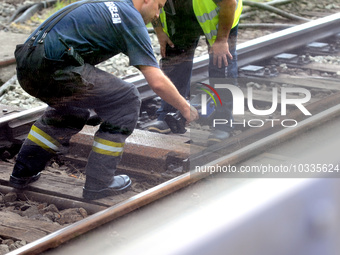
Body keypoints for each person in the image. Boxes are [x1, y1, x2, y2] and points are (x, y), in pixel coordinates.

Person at [9, 0, 198, 200]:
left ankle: (23, 171)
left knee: (71, 109)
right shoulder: (130, 17)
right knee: (126, 99)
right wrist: (185, 108)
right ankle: (100, 182)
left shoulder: (109, 4)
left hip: (27, 65)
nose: (159, 14)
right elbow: (157, 81)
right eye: (159, 6)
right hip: (56, 67)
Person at [147, 0, 242, 145]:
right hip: (180, 18)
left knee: (222, 66)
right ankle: (168, 115)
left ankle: (223, 123)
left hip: (221, 14)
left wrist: (222, 40)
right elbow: (148, 4)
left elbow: (229, 4)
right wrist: (160, 33)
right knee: (174, 62)